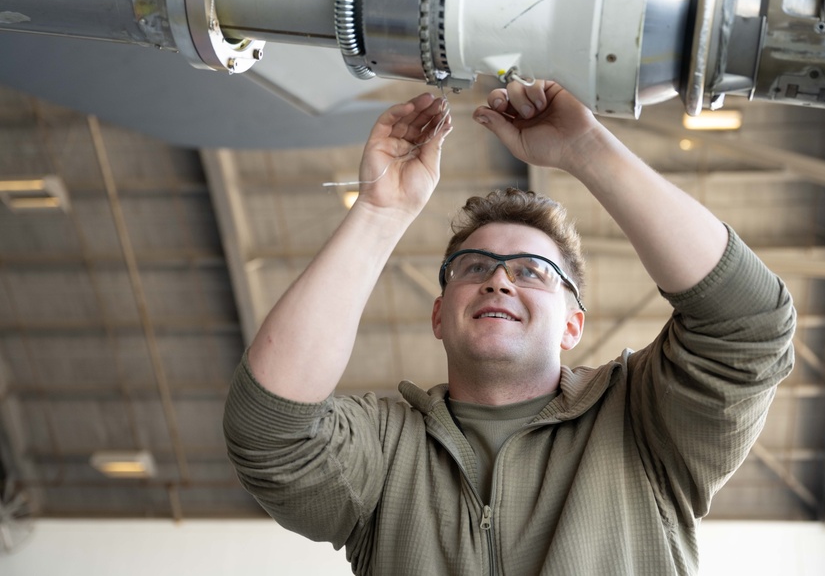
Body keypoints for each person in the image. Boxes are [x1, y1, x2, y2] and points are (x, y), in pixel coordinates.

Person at [223, 80, 796, 575]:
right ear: (438, 317)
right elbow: (269, 433)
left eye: (531, 271)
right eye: (473, 269)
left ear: (572, 325)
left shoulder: (644, 422)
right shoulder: (385, 448)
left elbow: (750, 326)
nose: (499, 282)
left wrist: (586, 148)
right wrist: (380, 211)